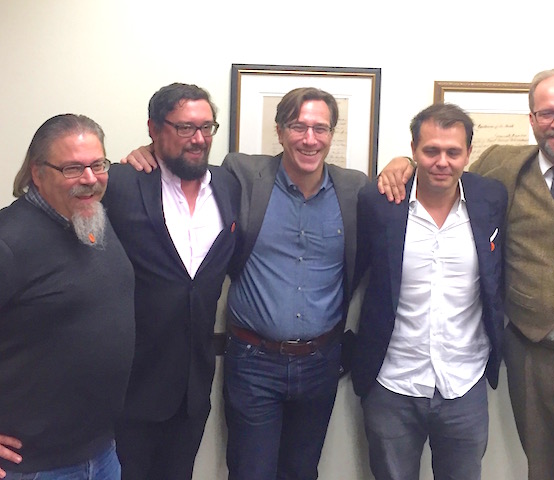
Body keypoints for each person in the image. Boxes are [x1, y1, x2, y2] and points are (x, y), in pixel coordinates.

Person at [378, 68, 554, 480]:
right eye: (546, 113)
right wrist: (404, 164)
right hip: (530, 359)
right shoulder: (503, 166)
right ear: (532, 120)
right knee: (542, 471)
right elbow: (445, 165)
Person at [124, 86, 368, 480]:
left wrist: (404, 163)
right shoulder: (243, 175)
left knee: (302, 472)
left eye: (320, 128)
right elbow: (184, 154)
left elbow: (403, 192)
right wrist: (147, 150)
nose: (310, 139)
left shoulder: (354, 188)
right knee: (250, 472)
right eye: (298, 126)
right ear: (279, 131)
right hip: (254, 361)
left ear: (331, 134)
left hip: (321, 361)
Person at [352, 103, 507, 480]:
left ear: (468, 153)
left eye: (453, 152)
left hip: (464, 382)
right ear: (413, 150)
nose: (442, 162)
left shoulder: (491, 198)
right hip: (393, 381)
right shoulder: (380, 201)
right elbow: (354, 271)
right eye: (430, 150)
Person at [102, 83, 240, 480]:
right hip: (128, 388)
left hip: (192, 390)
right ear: (153, 128)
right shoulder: (121, 183)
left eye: (206, 127)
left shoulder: (229, 186)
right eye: (184, 128)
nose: (198, 139)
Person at [0, 114, 135, 479]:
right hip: (33, 467)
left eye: (98, 165)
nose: (89, 179)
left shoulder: (91, 219)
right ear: (37, 172)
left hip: (101, 453)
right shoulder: (9, 241)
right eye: (72, 168)